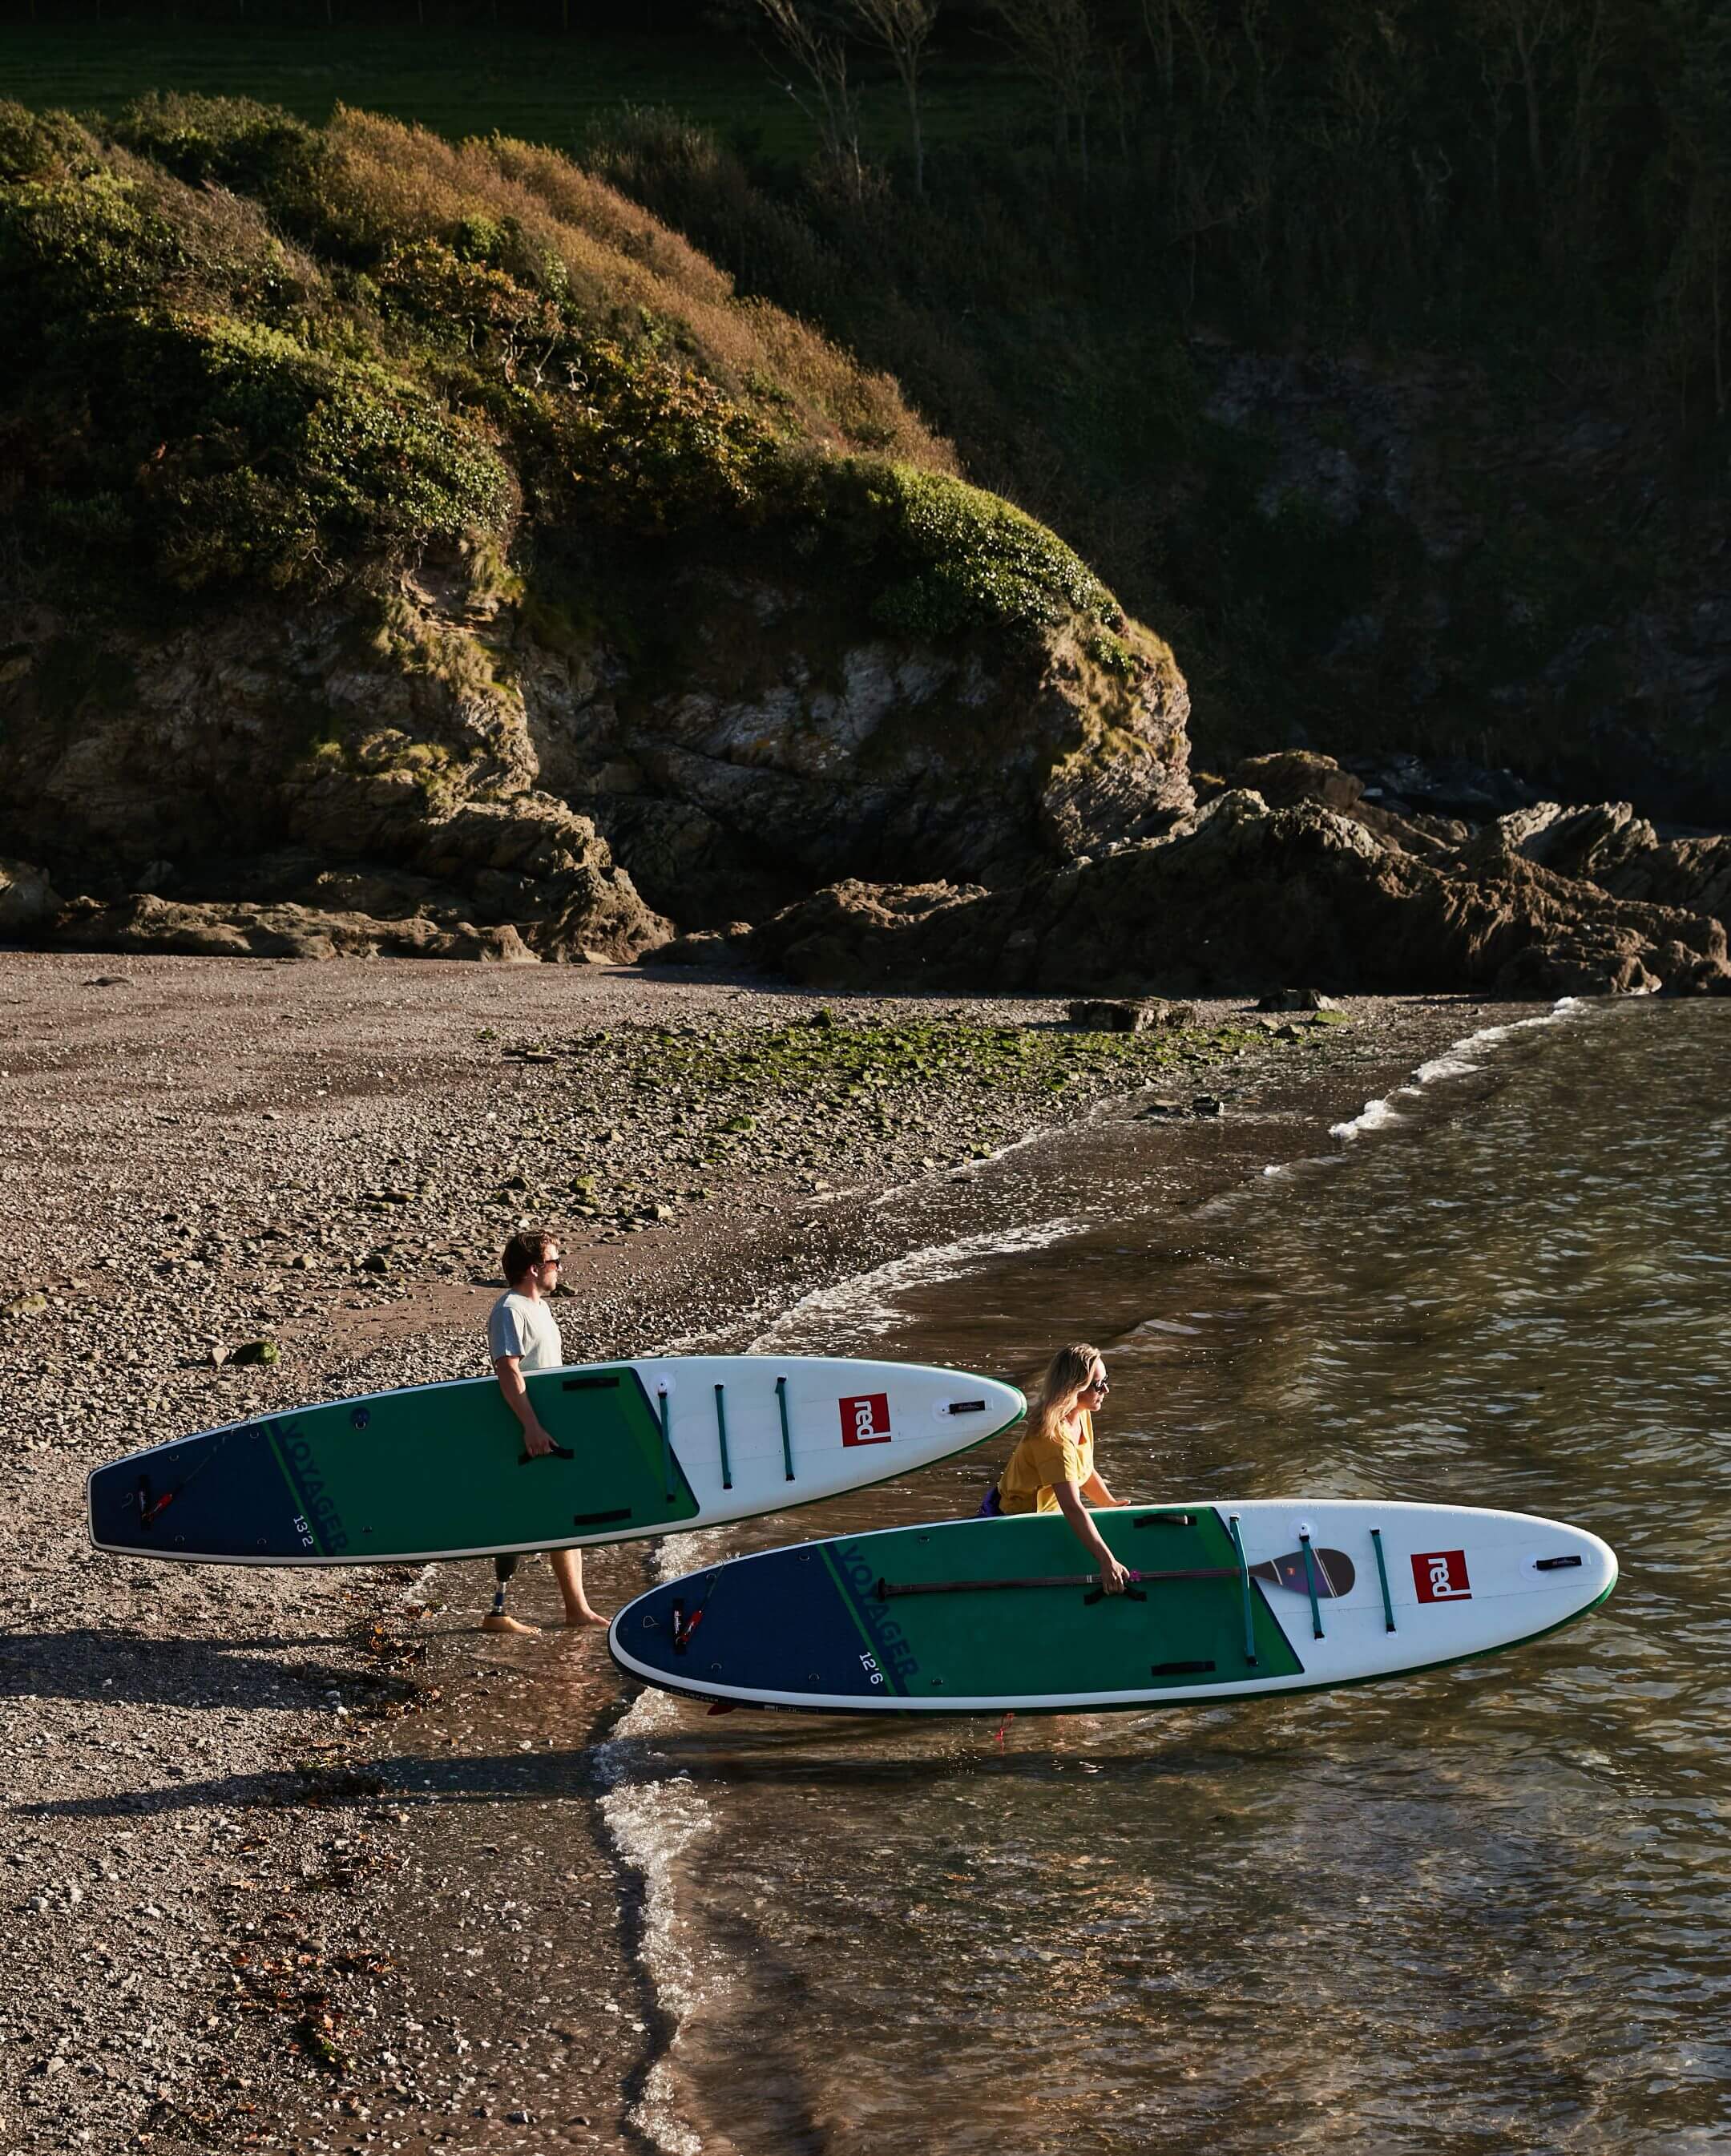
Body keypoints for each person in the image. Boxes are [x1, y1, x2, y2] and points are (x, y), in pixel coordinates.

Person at [483, 1228, 604, 1633]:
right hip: (525, 1429)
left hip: (546, 1428)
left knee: (559, 1516)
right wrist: (531, 1426)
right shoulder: (510, 1310)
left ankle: (573, 1609)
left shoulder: (540, 1309)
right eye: (555, 1262)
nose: (559, 1269)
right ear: (535, 1269)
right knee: (533, 1516)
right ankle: (505, 1613)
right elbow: (508, 1369)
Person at [992, 1342, 1132, 1595]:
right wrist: (1106, 1560)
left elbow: (1083, 1470)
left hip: (1050, 1514)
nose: (1106, 1390)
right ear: (1074, 1388)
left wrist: (1109, 1505)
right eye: (1098, 1385)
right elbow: (1071, 1505)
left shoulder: (1080, 1413)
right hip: (1017, 1521)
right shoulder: (1053, 1437)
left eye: (1105, 1380)